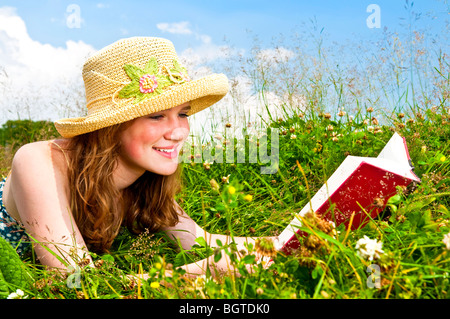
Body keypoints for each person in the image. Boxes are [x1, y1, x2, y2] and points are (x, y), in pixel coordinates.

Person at [0, 37, 273, 277]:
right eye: (156, 116)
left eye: (183, 114)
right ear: (111, 126)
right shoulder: (39, 161)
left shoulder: (142, 177)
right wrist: (206, 271)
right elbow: (76, 280)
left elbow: (199, 241)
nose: (178, 133)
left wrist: (284, 242)